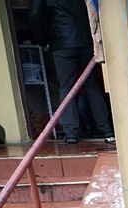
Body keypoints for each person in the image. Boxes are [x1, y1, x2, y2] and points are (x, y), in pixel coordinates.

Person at [29, 0, 113, 144]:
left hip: (62, 43)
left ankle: (72, 133)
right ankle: (107, 130)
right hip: (86, 41)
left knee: (66, 88)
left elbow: (34, 14)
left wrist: (43, 40)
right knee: (91, 85)